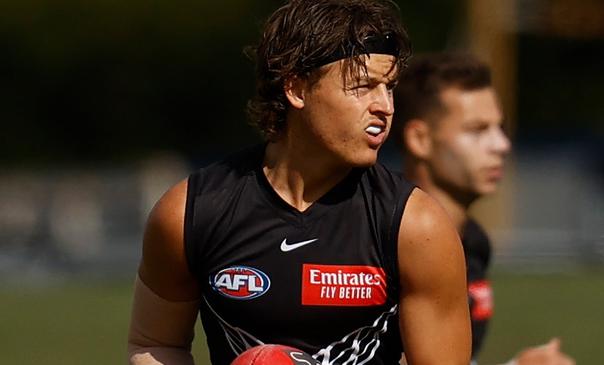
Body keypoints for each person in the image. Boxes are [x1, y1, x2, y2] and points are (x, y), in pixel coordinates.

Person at [127, 2, 471, 365]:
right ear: (296, 88)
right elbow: (155, 345)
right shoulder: (190, 213)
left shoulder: (416, 227)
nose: (384, 106)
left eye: (388, 87)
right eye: (362, 86)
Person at [392, 52, 575, 365]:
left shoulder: (474, 243)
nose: (501, 144)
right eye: (477, 129)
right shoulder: (377, 241)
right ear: (420, 139)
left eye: (499, 127)